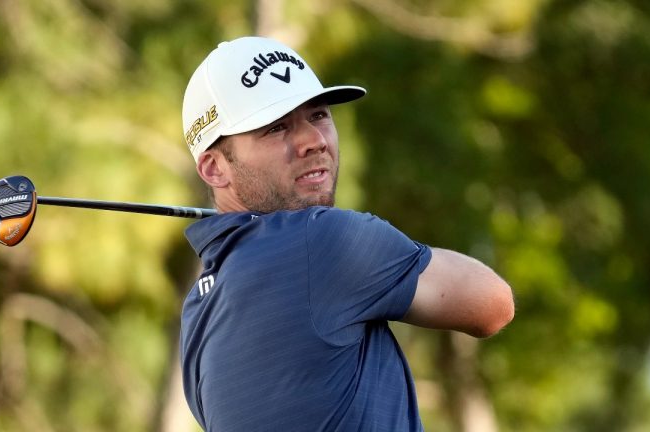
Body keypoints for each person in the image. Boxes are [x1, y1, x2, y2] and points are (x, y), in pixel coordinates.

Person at [179, 36, 514, 432]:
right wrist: (389, 250)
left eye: (318, 115)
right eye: (276, 128)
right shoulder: (325, 241)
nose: (314, 141)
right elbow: (492, 304)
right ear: (215, 169)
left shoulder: (197, 313)